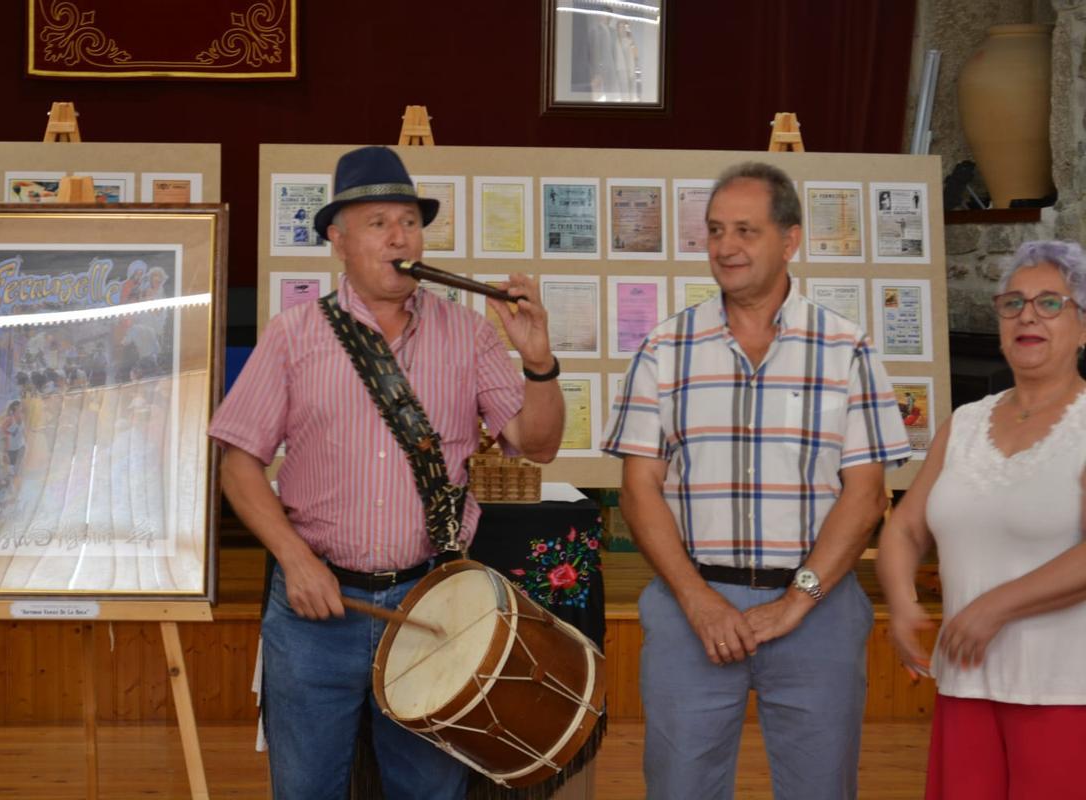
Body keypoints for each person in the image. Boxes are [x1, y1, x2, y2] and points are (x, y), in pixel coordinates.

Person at [208, 146, 565, 800]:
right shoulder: (292, 335)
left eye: (408, 220)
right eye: (377, 223)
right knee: (305, 790)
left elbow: (537, 445)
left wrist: (538, 361)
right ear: (338, 241)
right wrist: (295, 559)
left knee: (428, 793)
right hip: (316, 609)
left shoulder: (471, 334)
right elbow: (239, 465)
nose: (399, 236)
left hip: (433, 605)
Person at [602, 161, 911, 800]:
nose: (725, 247)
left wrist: (798, 600)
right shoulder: (664, 350)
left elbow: (866, 494)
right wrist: (697, 599)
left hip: (817, 611)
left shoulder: (846, 350)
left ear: (790, 239)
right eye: (716, 230)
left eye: (746, 230)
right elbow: (640, 490)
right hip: (693, 609)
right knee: (679, 788)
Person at [877, 239, 1086, 800]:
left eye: (1050, 303)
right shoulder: (965, 422)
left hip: (1065, 693)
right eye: (1013, 303)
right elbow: (904, 528)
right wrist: (901, 605)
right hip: (965, 682)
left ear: (1083, 326)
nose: (1027, 316)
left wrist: (994, 607)